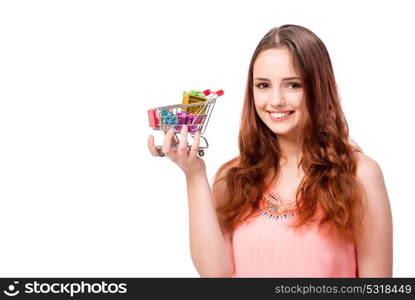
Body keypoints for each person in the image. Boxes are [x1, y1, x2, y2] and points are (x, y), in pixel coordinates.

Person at [147, 24, 393, 278]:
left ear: (319, 88)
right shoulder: (233, 176)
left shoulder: (360, 175)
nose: (275, 100)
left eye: (293, 85)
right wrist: (194, 174)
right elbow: (215, 274)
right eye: (263, 85)